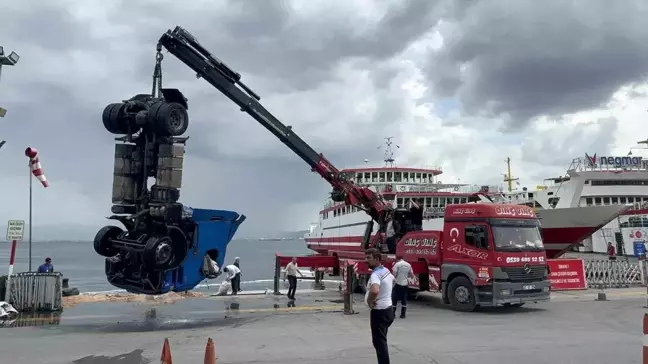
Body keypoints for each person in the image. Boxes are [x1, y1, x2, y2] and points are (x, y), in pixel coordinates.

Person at [364, 248, 395, 364]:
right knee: (382, 340)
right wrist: (386, 294)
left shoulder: (375, 274)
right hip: (389, 310)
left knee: (379, 343)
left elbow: (375, 290)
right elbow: (393, 281)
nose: (366, 260)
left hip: (379, 313)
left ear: (376, 259)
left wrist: (369, 301)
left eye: (369, 258)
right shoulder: (386, 270)